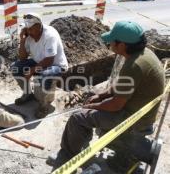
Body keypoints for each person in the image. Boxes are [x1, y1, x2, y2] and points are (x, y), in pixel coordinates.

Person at [47, 21, 165, 168]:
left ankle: (66, 157)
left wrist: (92, 105)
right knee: (90, 115)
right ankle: (84, 145)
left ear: (122, 45)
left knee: (78, 117)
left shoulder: (134, 65)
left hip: (134, 119)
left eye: (112, 41)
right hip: (139, 112)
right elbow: (122, 85)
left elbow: (115, 105)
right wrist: (101, 96)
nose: (109, 44)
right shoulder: (144, 54)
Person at [11, 13, 68, 118]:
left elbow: (49, 61)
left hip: (57, 65)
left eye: (31, 29)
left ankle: (44, 104)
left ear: (39, 26)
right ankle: (28, 94)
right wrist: (22, 41)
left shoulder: (49, 35)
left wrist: (32, 71)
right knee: (15, 67)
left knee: (44, 75)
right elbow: (22, 58)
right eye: (27, 29)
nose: (29, 32)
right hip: (38, 61)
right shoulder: (28, 34)